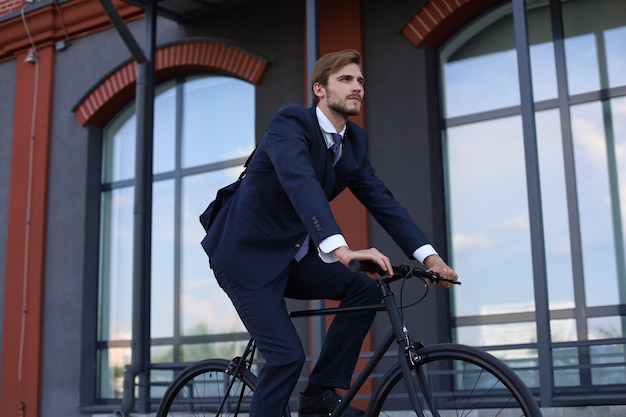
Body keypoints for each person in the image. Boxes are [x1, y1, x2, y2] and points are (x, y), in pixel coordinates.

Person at [201, 49, 458, 417]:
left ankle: (319, 395)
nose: (357, 87)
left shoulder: (354, 143)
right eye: (346, 79)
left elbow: (382, 201)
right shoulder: (290, 123)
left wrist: (430, 258)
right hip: (246, 257)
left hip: (290, 258)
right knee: (287, 356)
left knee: (364, 289)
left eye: (360, 81)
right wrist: (342, 249)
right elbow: (299, 182)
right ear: (319, 89)